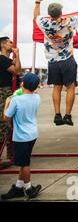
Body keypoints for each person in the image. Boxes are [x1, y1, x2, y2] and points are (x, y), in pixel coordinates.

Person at [34, 0, 78, 126]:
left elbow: (35, 16)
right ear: (61, 13)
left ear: (49, 14)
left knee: (57, 87)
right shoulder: (67, 21)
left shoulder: (44, 22)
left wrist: (37, 1)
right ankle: (68, 115)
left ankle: (57, 115)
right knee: (70, 87)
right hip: (67, 59)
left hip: (53, 61)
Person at [1, 73, 42, 200]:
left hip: (21, 136)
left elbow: (6, 118)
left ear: (22, 84)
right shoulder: (37, 97)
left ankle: (29, 188)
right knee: (23, 161)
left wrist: (7, 102)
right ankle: (18, 187)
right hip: (32, 134)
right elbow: (25, 94)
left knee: (24, 164)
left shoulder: (15, 100)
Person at [0, 36, 21, 168]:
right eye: (9, 42)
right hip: (4, 92)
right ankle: (5, 154)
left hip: (10, 91)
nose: (12, 44)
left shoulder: (8, 60)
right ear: (2, 44)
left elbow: (18, 69)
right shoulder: (2, 59)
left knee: (12, 122)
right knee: (4, 122)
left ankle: (10, 154)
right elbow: (17, 71)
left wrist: (16, 58)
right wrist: (17, 56)